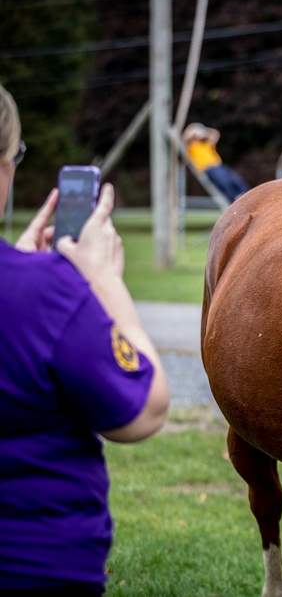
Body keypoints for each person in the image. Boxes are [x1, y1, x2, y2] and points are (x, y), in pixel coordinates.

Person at [0, 84, 170, 594]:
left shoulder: (32, 288)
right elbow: (145, 410)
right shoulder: (45, 294)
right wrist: (104, 284)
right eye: (16, 155)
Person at [182, 122, 250, 202]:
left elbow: (215, 133)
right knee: (225, 183)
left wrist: (203, 130)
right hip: (209, 169)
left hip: (219, 166)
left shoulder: (206, 144)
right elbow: (185, 137)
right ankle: (235, 198)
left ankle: (246, 194)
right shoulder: (192, 146)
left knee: (236, 180)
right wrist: (194, 129)